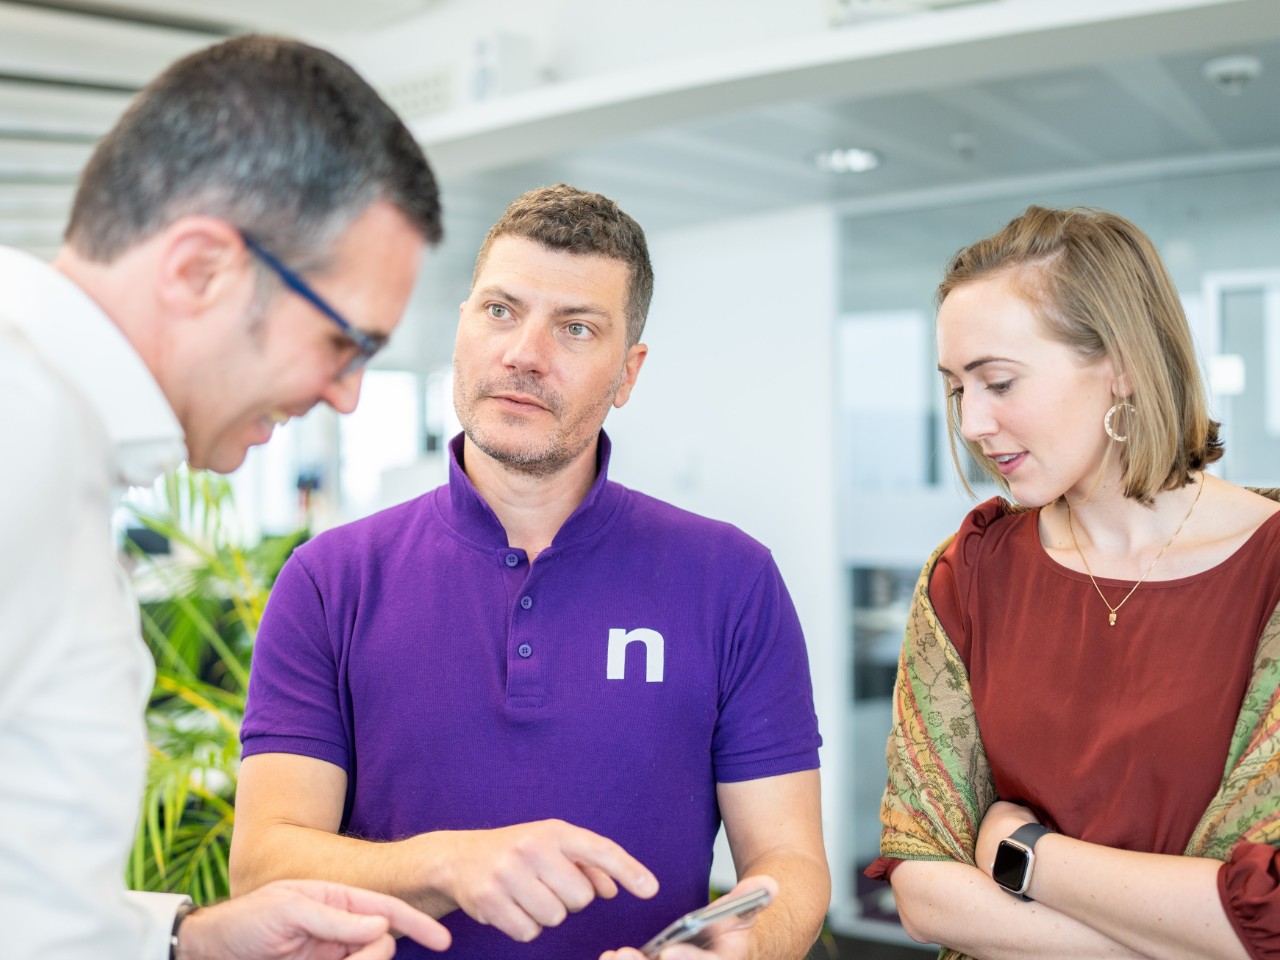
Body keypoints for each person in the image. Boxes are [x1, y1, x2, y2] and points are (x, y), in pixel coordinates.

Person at [229, 183, 831, 960]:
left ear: (628, 373)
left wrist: (746, 950)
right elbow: (263, 864)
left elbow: (789, 862)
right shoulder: (328, 581)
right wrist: (448, 864)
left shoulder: (732, 581)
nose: (523, 354)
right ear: (463, 327)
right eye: (500, 311)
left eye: (575, 328)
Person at [0, 34, 455, 960]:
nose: (347, 397)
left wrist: (185, 941)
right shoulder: (22, 427)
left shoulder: (56, 434)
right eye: (344, 343)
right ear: (200, 269)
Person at [868, 205, 1280, 959]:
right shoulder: (969, 573)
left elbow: (1265, 915)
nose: (971, 423)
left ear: (1121, 366)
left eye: (998, 382)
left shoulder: (1269, 573)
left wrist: (1024, 852)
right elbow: (924, 891)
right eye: (958, 389)